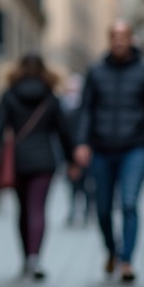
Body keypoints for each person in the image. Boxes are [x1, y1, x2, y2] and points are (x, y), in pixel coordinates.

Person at [74, 21, 144, 282]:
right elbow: (86, 110)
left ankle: (127, 260)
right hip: (101, 149)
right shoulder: (96, 71)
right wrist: (81, 142)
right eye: (114, 36)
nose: (119, 41)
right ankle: (112, 251)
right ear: (109, 40)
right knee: (103, 208)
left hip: (135, 149)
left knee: (129, 204)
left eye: (123, 36)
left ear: (131, 39)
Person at [0, 53, 75, 280]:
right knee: (38, 209)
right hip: (45, 161)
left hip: (18, 161)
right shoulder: (50, 96)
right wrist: (71, 160)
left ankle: (26, 258)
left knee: (23, 210)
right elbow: (64, 130)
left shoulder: (9, 95)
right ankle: (35, 258)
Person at [60, 74, 91, 226]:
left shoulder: (86, 107)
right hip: (69, 151)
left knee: (87, 184)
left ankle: (87, 211)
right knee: (72, 184)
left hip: (86, 151)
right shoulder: (62, 107)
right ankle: (73, 211)